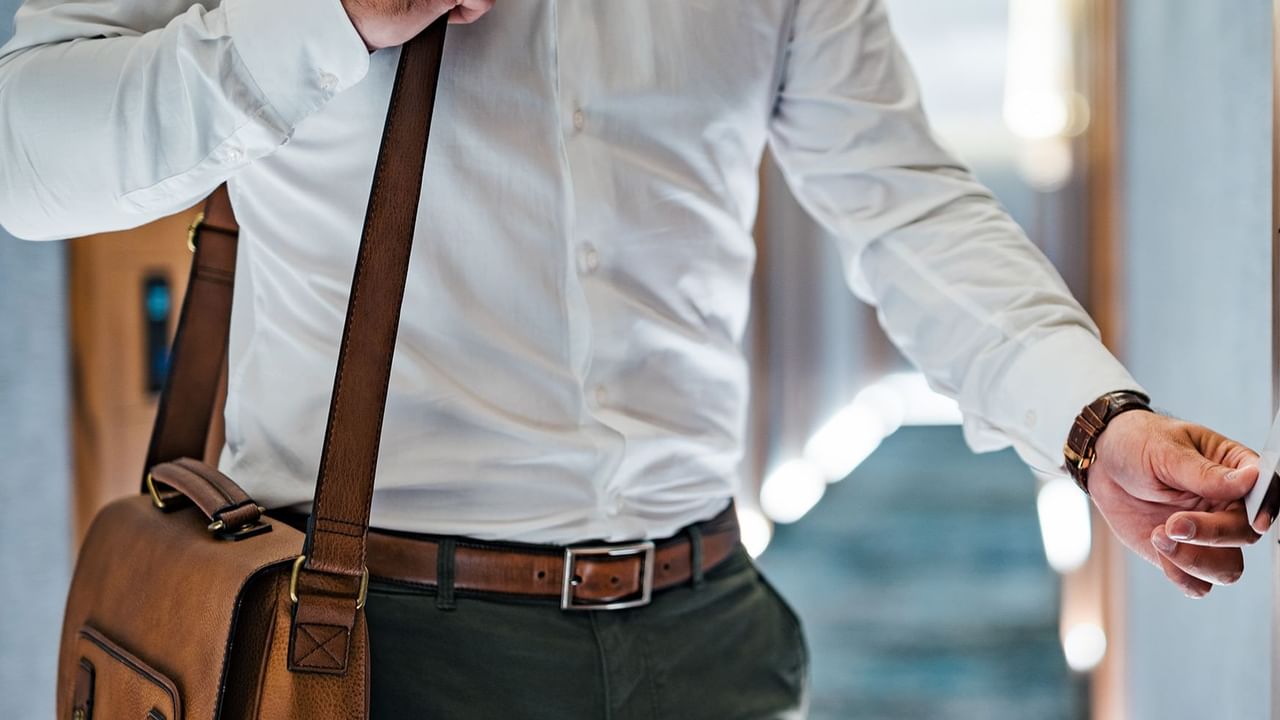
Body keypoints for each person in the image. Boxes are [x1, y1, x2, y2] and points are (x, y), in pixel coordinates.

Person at [0, 0, 1267, 717]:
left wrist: (1092, 422)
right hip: (369, 652)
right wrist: (319, 21)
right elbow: (28, 155)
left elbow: (902, 203)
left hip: (705, 640)